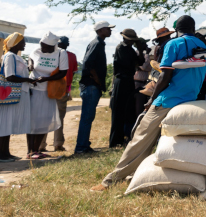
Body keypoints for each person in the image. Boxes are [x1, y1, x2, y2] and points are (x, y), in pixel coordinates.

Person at [91, 15, 206, 191]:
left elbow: (165, 75)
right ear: (193, 28)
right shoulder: (202, 47)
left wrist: (152, 99)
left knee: (140, 139)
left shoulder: (173, 44)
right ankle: (136, 174)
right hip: (190, 99)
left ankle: (112, 180)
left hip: (168, 100)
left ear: (177, 30)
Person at [0, 33, 38, 163]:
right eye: (22, 42)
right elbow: (10, 76)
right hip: (11, 94)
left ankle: (5, 153)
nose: (24, 44)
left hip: (18, 94)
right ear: (15, 43)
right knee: (5, 122)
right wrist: (28, 80)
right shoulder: (9, 57)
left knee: (9, 123)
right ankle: (0, 155)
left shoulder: (15, 57)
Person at [26, 32, 69, 159]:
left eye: (46, 47)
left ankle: (36, 150)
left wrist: (45, 79)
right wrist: (30, 64)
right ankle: (30, 151)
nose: (42, 48)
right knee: (32, 121)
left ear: (53, 46)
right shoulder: (36, 50)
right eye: (42, 45)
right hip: (34, 90)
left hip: (49, 92)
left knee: (44, 121)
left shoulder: (61, 53)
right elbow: (30, 58)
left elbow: (63, 72)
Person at [75, 21, 112, 155]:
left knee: (88, 117)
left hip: (92, 85)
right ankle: (80, 148)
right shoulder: (96, 43)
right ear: (100, 30)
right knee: (87, 117)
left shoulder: (99, 43)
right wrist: (97, 80)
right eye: (108, 29)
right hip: (91, 85)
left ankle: (84, 145)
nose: (110, 31)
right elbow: (88, 64)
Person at [108, 28, 143, 148]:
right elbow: (128, 63)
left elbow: (140, 63)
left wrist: (140, 49)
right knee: (118, 112)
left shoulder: (131, 50)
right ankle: (114, 141)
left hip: (128, 81)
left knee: (127, 111)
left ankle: (122, 138)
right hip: (121, 81)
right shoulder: (121, 48)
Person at [45, 36, 77, 152]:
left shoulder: (49, 54)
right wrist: (68, 91)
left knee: (45, 117)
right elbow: (72, 73)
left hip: (48, 89)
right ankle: (58, 144)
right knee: (59, 118)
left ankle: (41, 144)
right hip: (62, 90)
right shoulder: (71, 56)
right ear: (67, 44)